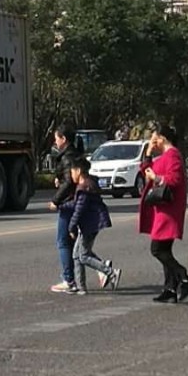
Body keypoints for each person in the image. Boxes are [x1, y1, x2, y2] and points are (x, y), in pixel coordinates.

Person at [138, 123, 188, 303]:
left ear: (161, 138)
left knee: (157, 249)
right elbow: (147, 170)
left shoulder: (173, 155)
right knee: (164, 249)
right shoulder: (165, 155)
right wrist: (147, 152)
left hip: (169, 209)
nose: (152, 141)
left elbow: (175, 179)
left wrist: (158, 179)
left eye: (154, 137)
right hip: (162, 208)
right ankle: (170, 288)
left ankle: (184, 277)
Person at [61, 157, 121, 294]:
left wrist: (71, 227)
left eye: (72, 172)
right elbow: (77, 205)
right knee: (77, 255)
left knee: (83, 256)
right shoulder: (86, 185)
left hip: (91, 225)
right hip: (88, 224)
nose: (71, 175)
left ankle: (111, 273)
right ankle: (81, 288)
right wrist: (62, 206)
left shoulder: (84, 187)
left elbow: (79, 209)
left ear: (78, 171)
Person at [47, 122, 84, 293]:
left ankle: (68, 280)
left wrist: (55, 200)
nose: (55, 142)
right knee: (76, 242)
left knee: (63, 241)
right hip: (75, 202)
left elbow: (69, 182)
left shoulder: (68, 156)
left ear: (64, 139)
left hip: (69, 203)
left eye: (56, 138)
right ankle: (103, 270)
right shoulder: (72, 154)